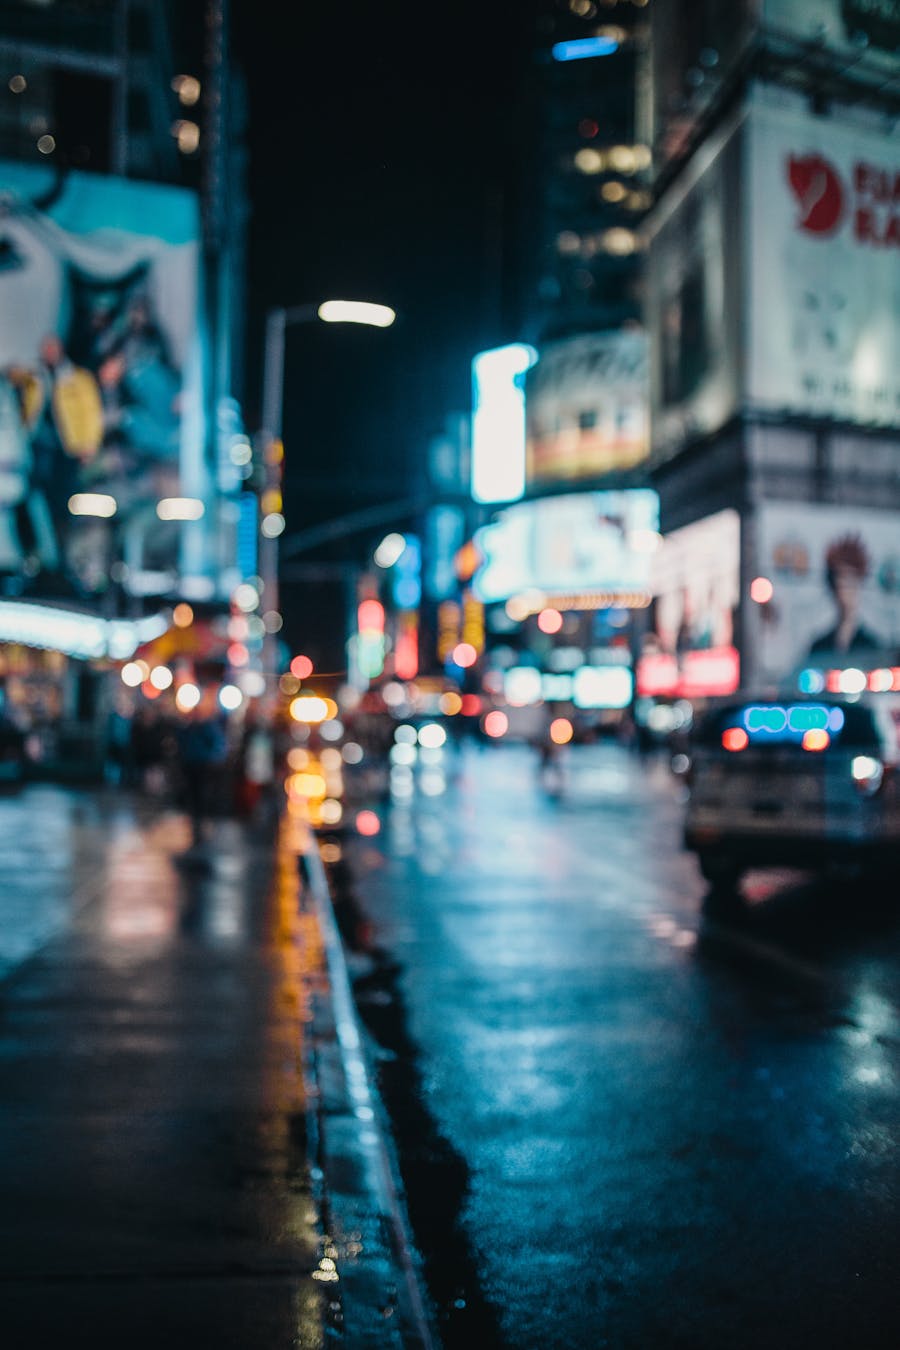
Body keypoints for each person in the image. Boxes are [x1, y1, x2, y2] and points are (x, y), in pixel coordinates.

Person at [808, 533, 885, 658]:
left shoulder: (872, 646)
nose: (846, 591)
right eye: (840, 583)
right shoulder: (819, 646)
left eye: (851, 582)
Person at [175, 700, 229, 857]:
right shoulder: (190, 728)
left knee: (201, 794)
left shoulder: (206, 728)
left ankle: (200, 821)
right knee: (193, 794)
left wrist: (212, 759)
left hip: (203, 766)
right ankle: (196, 821)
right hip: (191, 765)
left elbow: (216, 745)